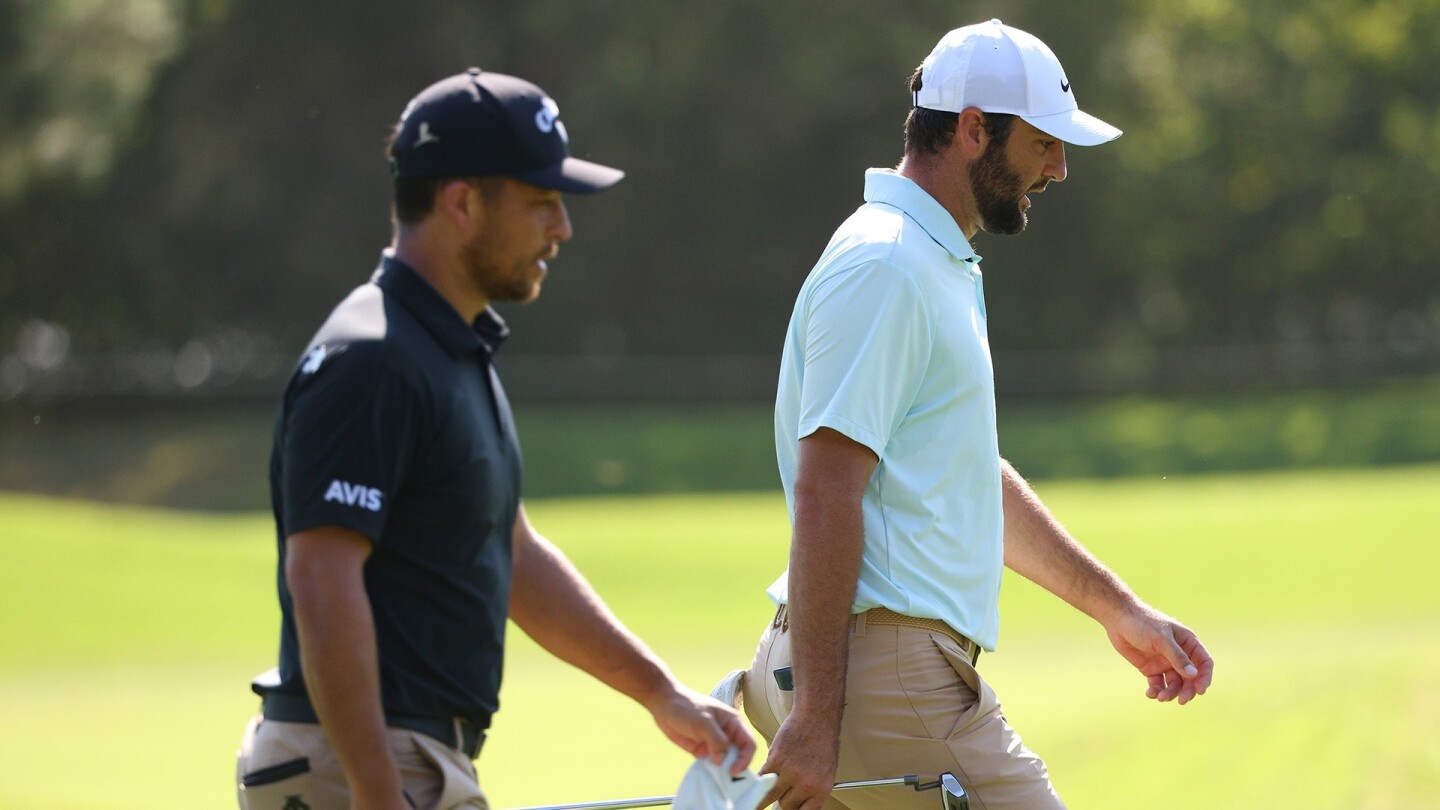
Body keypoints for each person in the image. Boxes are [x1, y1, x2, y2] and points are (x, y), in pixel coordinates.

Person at [234, 68, 754, 810]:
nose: (561, 229)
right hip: (361, 765)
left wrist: (658, 693)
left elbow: (509, 553)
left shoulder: (445, 351)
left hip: (400, 759)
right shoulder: (372, 359)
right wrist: (379, 794)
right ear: (462, 203)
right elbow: (321, 580)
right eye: (542, 203)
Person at [740, 20, 1215, 810]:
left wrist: (1118, 610)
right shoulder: (888, 264)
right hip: (885, 680)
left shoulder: (931, 262)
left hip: (876, 676)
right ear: (971, 130)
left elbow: (968, 482)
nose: (1058, 169)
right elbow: (826, 490)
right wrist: (820, 719)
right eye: (1041, 144)